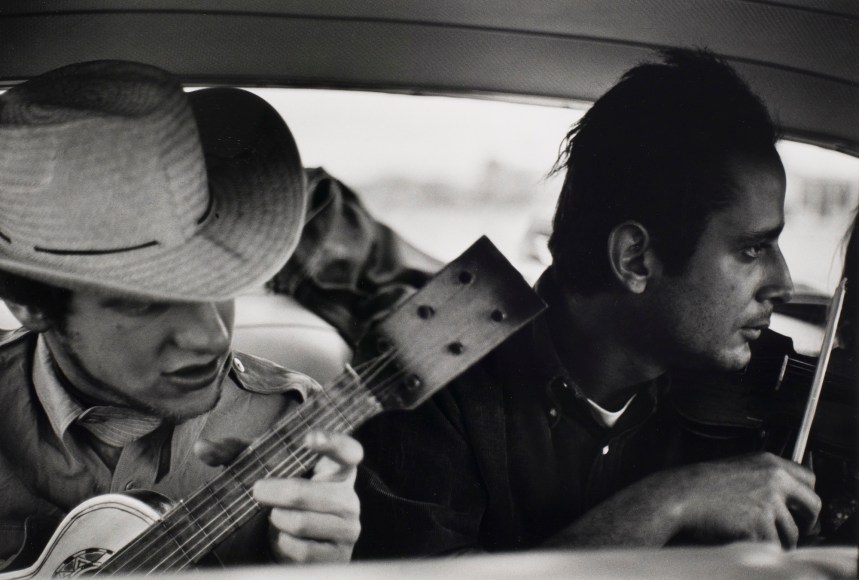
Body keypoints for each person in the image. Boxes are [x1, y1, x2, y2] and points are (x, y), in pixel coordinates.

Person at [352, 48, 840, 558]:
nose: (783, 283)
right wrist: (666, 504)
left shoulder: (763, 394)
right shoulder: (430, 377)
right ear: (635, 259)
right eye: (751, 249)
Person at [0, 61, 362, 571]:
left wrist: (319, 571)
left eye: (221, 281)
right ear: (28, 305)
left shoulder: (292, 424)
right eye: (143, 299)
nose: (212, 337)